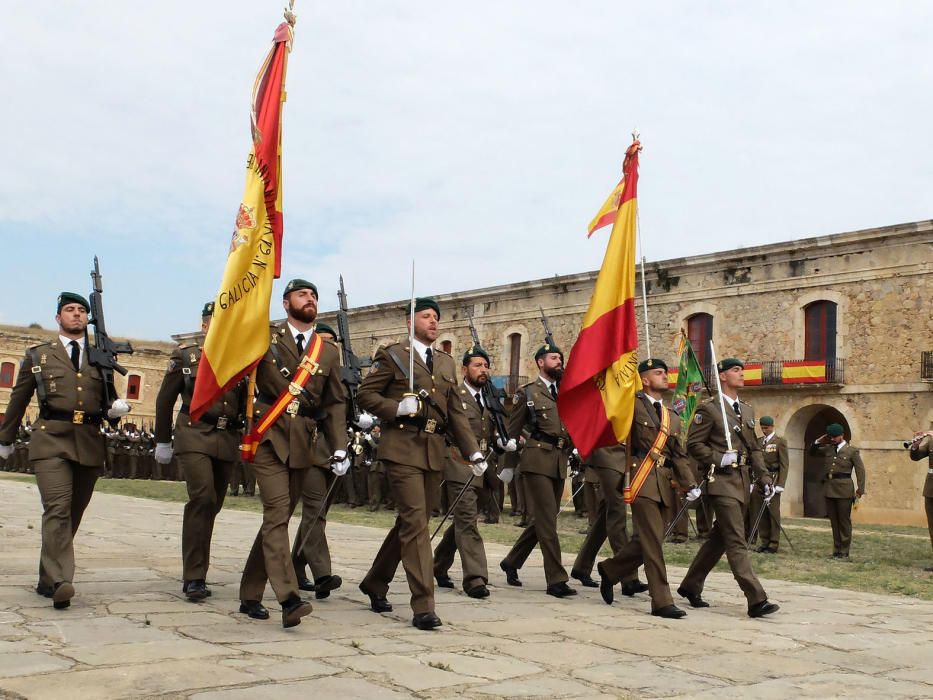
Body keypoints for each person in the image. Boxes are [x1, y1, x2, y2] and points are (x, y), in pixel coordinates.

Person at [357, 297, 484, 630]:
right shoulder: (393, 355)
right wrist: (395, 407)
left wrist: (473, 452)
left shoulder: (444, 363)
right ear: (410, 321)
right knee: (416, 523)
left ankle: (375, 581)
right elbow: (365, 394)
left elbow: (455, 412)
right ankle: (423, 605)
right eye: (426, 316)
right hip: (401, 447)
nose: (433, 321)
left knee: (410, 524)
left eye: (436, 317)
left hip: (432, 449)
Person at [0, 292, 130, 610]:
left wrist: (115, 410)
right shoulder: (38, 355)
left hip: (88, 440)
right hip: (51, 439)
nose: (76, 314)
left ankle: (47, 575)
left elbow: (108, 398)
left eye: (81, 310)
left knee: (73, 512)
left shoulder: (101, 356)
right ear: (58, 318)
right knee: (57, 508)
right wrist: (5, 439)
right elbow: (18, 399)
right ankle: (61, 581)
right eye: (69, 310)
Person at [237, 279, 348, 628]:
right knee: (276, 512)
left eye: (314, 295)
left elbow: (334, 404)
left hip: (304, 441)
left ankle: (250, 593)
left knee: (279, 518)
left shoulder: (326, 352)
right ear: (286, 304)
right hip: (269, 435)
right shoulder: (264, 337)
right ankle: (288, 598)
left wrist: (341, 446)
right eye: (303, 294)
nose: (310, 299)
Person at [154, 301, 245, 601]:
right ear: (205, 325)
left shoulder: (241, 358)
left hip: (227, 436)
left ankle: (198, 569)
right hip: (194, 432)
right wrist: (162, 440)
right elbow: (165, 400)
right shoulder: (186, 356)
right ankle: (194, 577)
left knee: (212, 505)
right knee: (202, 497)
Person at [596, 359, 698, 618]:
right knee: (653, 542)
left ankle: (610, 570)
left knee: (647, 539)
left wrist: (690, 484)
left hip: (663, 483)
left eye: (665, 372)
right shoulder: (631, 405)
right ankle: (662, 600)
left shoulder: (671, 417)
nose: (665, 377)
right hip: (640, 478)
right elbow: (611, 424)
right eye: (658, 373)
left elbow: (679, 455)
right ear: (644, 379)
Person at [678, 357, 779, 618]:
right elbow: (694, 445)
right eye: (736, 370)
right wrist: (719, 458)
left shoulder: (746, 410)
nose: (742, 374)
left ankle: (690, 585)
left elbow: (754, 449)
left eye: (742, 370)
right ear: (722, 376)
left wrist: (765, 478)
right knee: (736, 538)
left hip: (743, 482)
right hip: (721, 482)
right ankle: (756, 598)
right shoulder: (709, 409)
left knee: (719, 538)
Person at [433, 345, 516, 599]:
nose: (483, 370)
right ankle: (475, 578)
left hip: (482, 466)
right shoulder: (454, 395)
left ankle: (438, 565)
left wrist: (501, 443)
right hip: (458, 462)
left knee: (463, 519)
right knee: (468, 520)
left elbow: (488, 432)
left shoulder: (489, 400)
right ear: (464, 369)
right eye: (477, 365)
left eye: (485, 366)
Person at [499, 343, 577, 598]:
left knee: (545, 519)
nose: (559, 361)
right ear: (540, 362)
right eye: (553, 358)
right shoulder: (528, 393)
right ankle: (556, 579)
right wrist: (508, 466)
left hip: (558, 460)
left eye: (560, 358)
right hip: (536, 459)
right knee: (547, 521)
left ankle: (511, 561)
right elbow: (512, 433)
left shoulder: (565, 392)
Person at [809, 423, 866, 560]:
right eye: (831, 437)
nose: (833, 439)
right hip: (830, 488)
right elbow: (812, 452)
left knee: (843, 521)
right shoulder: (828, 448)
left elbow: (860, 470)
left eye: (835, 436)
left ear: (842, 435)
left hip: (844, 489)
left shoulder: (851, 451)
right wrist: (817, 442)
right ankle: (837, 549)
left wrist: (860, 489)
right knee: (834, 521)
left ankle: (844, 551)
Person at [749, 416, 788, 553]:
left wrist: (781, 484)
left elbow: (784, 465)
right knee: (760, 511)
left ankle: (773, 543)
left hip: (773, 478)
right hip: (759, 479)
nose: (764, 430)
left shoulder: (780, 442)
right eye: (762, 428)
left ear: (772, 426)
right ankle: (764, 541)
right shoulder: (759, 442)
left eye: (766, 428)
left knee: (772, 512)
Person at [908, 430, 933, 571]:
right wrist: (915, 446)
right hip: (930, 489)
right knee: (932, 527)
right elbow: (916, 457)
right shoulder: (930, 441)